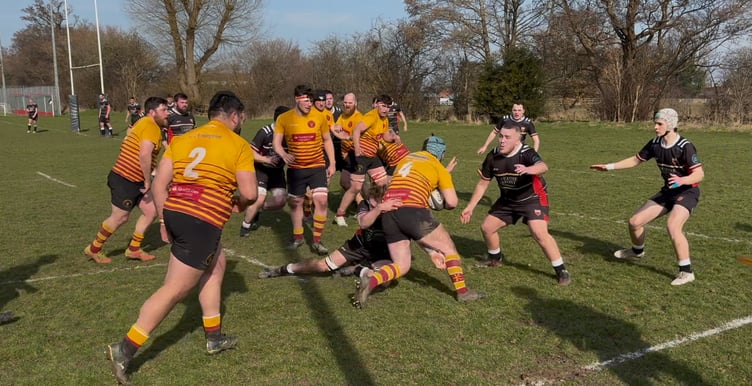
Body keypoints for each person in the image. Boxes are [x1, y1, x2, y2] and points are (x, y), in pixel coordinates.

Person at [105, 91, 257, 384]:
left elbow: (160, 185)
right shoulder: (238, 145)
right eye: (242, 117)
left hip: (176, 211)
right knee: (174, 291)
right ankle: (124, 349)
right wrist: (238, 202)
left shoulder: (183, 139)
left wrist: (164, 220)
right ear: (235, 115)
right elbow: (250, 193)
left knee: (216, 266)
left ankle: (214, 337)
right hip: (201, 220)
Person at [353, 135, 485, 308]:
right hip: (413, 211)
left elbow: (403, 180)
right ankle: (463, 292)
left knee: (402, 265)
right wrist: (440, 194)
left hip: (389, 212)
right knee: (449, 249)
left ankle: (370, 281)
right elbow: (452, 202)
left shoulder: (407, 158)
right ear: (441, 154)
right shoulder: (438, 166)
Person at [590, 108, 704, 286]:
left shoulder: (685, 146)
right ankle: (637, 251)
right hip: (668, 192)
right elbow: (636, 160)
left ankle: (686, 272)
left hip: (687, 192)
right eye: (655, 123)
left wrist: (682, 180)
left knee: (673, 226)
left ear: (671, 125)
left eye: (659, 124)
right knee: (635, 222)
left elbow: (699, 175)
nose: (655, 127)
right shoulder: (655, 143)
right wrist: (609, 166)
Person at [461, 123, 571, 286]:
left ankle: (561, 270)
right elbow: (483, 183)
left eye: (507, 137)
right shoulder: (493, 157)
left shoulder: (526, 153)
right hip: (508, 199)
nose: (502, 141)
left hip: (532, 197)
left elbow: (543, 166)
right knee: (487, 228)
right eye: (501, 136)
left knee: (539, 233)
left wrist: (529, 169)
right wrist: (470, 207)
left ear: (517, 139)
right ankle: (495, 259)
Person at [83, 97, 169, 264]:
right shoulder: (151, 126)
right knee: (120, 217)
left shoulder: (144, 122)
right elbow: (144, 154)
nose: (167, 113)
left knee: (151, 211)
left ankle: (133, 249)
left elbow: (129, 137)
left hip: (134, 178)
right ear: (152, 112)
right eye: (164, 110)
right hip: (126, 178)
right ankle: (94, 249)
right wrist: (147, 180)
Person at [259, 180, 398, 280]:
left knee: (383, 279)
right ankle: (284, 269)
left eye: (376, 203)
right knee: (323, 266)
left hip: (386, 251)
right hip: (358, 246)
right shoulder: (365, 204)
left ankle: (357, 268)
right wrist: (379, 209)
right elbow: (363, 223)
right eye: (372, 202)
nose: (372, 204)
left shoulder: (399, 208)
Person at [273, 85, 336, 255]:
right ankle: (298, 237)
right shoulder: (284, 119)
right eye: (306, 100)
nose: (310, 104)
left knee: (322, 201)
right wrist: (283, 154)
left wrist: (332, 163)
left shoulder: (320, 117)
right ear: (296, 99)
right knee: (296, 203)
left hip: (317, 166)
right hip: (295, 170)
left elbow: (327, 140)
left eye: (311, 100)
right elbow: (276, 143)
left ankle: (317, 241)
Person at [337, 95, 398, 229]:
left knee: (383, 183)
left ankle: (373, 210)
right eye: (383, 105)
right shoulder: (371, 116)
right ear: (377, 105)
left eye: (388, 107)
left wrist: (393, 138)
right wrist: (358, 148)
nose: (385, 109)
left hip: (372, 156)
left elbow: (384, 136)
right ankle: (340, 214)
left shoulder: (384, 119)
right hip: (362, 156)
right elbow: (357, 130)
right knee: (356, 188)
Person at [240, 105, 291, 236]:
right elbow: (250, 152)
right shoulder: (265, 132)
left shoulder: (291, 134)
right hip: (261, 171)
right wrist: (266, 159)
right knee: (259, 199)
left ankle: (258, 210)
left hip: (277, 173)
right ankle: (245, 225)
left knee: (280, 202)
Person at [330, 93, 363, 226]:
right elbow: (336, 129)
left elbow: (356, 137)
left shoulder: (359, 118)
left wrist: (346, 137)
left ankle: (343, 213)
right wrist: (338, 131)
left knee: (356, 185)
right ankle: (361, 206)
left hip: (358, 154)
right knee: (344, 182)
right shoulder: (342, 116)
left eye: (349, 102)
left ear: (355, 103)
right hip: (348, 154)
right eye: (345, 102)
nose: (347, 105)